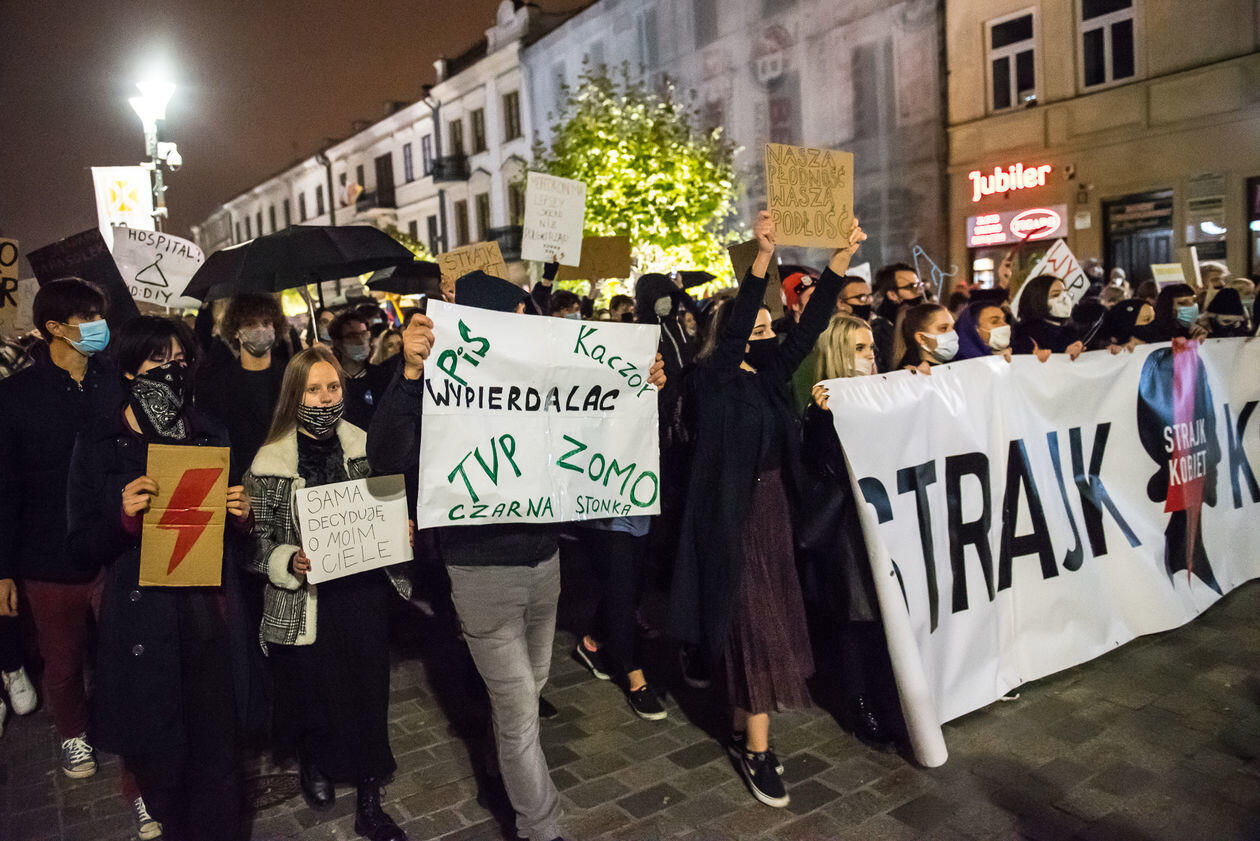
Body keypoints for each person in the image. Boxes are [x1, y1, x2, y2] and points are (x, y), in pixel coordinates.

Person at [368, 271, 664, 841]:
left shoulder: (540, 379)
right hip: (479, 571)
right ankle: (540, 826)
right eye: (519, 317)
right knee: (520, 708)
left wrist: (639, 383)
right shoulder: (438, 378)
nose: (530, 328)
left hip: (543, 563)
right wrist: (409, 375)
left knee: (530, 687)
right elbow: (385, 455)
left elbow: (596, 419)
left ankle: (493, 762)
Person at [671, 211, 865, 809]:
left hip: (774, 510)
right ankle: (757, 750)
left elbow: (807, 332)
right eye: (753, 325)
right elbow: (735, 334)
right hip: (732, 518)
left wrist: (838, 262)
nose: (764, 332)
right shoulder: (710, 379)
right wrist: (761, 260)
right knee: (756, 624)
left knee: (766, 617)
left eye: (765, 324)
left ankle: (740, 729)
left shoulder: (766, 375)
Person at [66, 316, 260, 841]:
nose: (172, 370)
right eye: (158, 360)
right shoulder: (101, 441)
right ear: (129, 370)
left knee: (219, 765)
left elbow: (236, 534)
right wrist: (122, 518)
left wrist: (243, 516)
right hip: (145, 630)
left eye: (180, 360)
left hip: (207, 621)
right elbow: (80, 546)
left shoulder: (208, 431)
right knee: (163, 771)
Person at [0, 279, 159, 833]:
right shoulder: (15, 396)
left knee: (133, 665)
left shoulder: (116, 381)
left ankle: (144, 780)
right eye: (86, 317)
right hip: (47, 557)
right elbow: (5, 487)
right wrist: (3, 568)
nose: (98, 325)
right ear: (53, 329)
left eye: (99, 314)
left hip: (117, 546)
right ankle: (73, 732)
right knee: (64, 663)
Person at [244, 345, 412, 841]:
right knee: (314, 691)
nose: (325, 397)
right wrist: (287, 560)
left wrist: (399, 527)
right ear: (294, 396)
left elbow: (386, 504)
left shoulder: (366, 447)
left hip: (362, 594)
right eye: (313, 389)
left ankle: (369, 795)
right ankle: (314, 761)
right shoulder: (269, 463)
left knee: (368, 692)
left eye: (333, 387)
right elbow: (255, 546)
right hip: (308, 600)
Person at [798, 315, 896, 749]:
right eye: (860, 348)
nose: (871, 355)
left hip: (884, 519)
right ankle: (860, 704)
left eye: (871, 347)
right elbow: (824, 468)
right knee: (858, 616)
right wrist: (824, 420)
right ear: (838, 353)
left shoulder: (884, 392)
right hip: (848, 530)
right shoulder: (820, 410)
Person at [196, 293, 289, 485]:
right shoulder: (217, 386)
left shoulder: (292, 377)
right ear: (236, 331)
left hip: (287, 477)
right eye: (250, 324)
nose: (260, 329)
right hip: (240, 484)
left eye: (266, 322)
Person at [328, 311, 381, 428]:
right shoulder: (330, 382)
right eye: (352, 336)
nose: (360, 340)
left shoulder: (381, 376)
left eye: (364, 334)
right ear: (338, 343)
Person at [1012, 276, 1085, 360]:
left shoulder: (1071, 332)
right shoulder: (1024, 336)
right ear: (1037, 301)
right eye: (1055, 295)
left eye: (1065, 292)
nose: (1065, 298)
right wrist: (1063, 356)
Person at [871, 263, 925, 372]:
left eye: (919, 286)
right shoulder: (881, 329)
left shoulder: (919, 319)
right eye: (911, 287)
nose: (919, 293)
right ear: (893, 295)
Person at [893, 303, 956, 371]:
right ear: (921, 338)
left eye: (953, 327)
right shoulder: (908, 374)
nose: (952, 333)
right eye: (943, 328)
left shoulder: (957, 365)